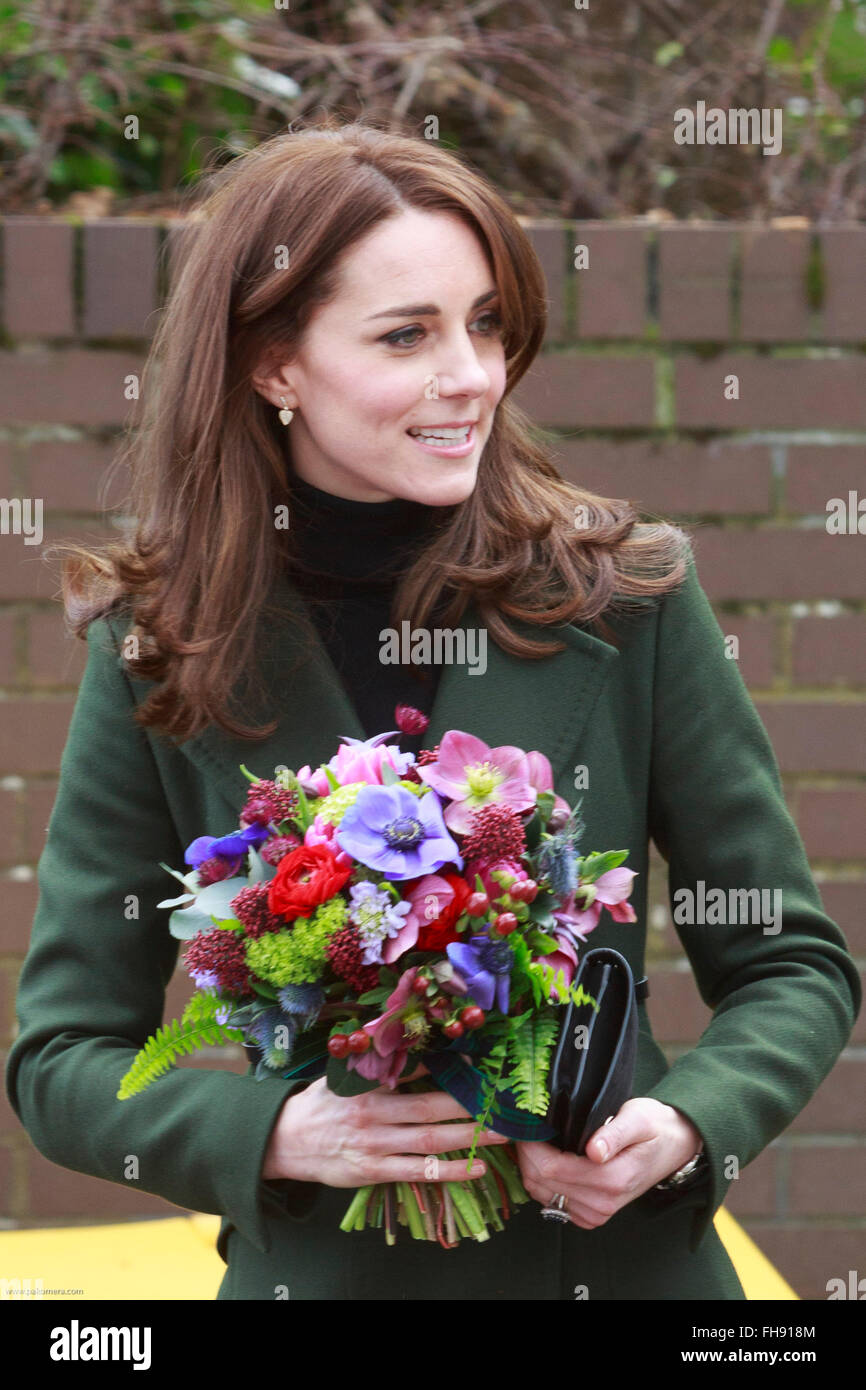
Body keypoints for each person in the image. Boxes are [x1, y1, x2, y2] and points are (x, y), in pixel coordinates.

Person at [5, 119, 860, 1301]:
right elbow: (60, 1057)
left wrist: (682, 1124)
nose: (469, 373)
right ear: (273, 365)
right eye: (406, 334)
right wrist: (273, 1133)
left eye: (486, 321)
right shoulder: (161, 639)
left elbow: (791, 964)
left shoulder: (626, 595)